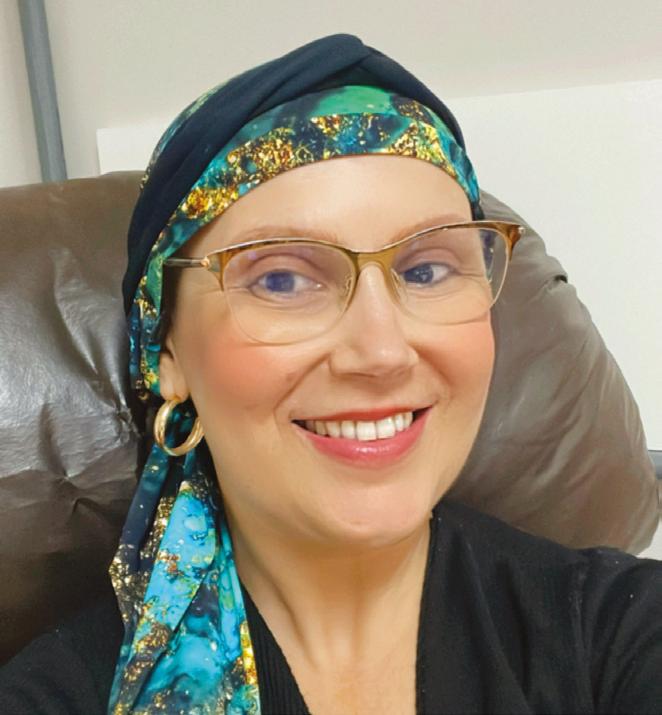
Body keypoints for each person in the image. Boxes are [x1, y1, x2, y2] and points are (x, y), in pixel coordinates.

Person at [1, 33, 661, 715]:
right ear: (167, 354)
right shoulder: (55, 696)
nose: (381, 352)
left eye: (427, 270)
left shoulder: (617, 635)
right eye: (282, 279)